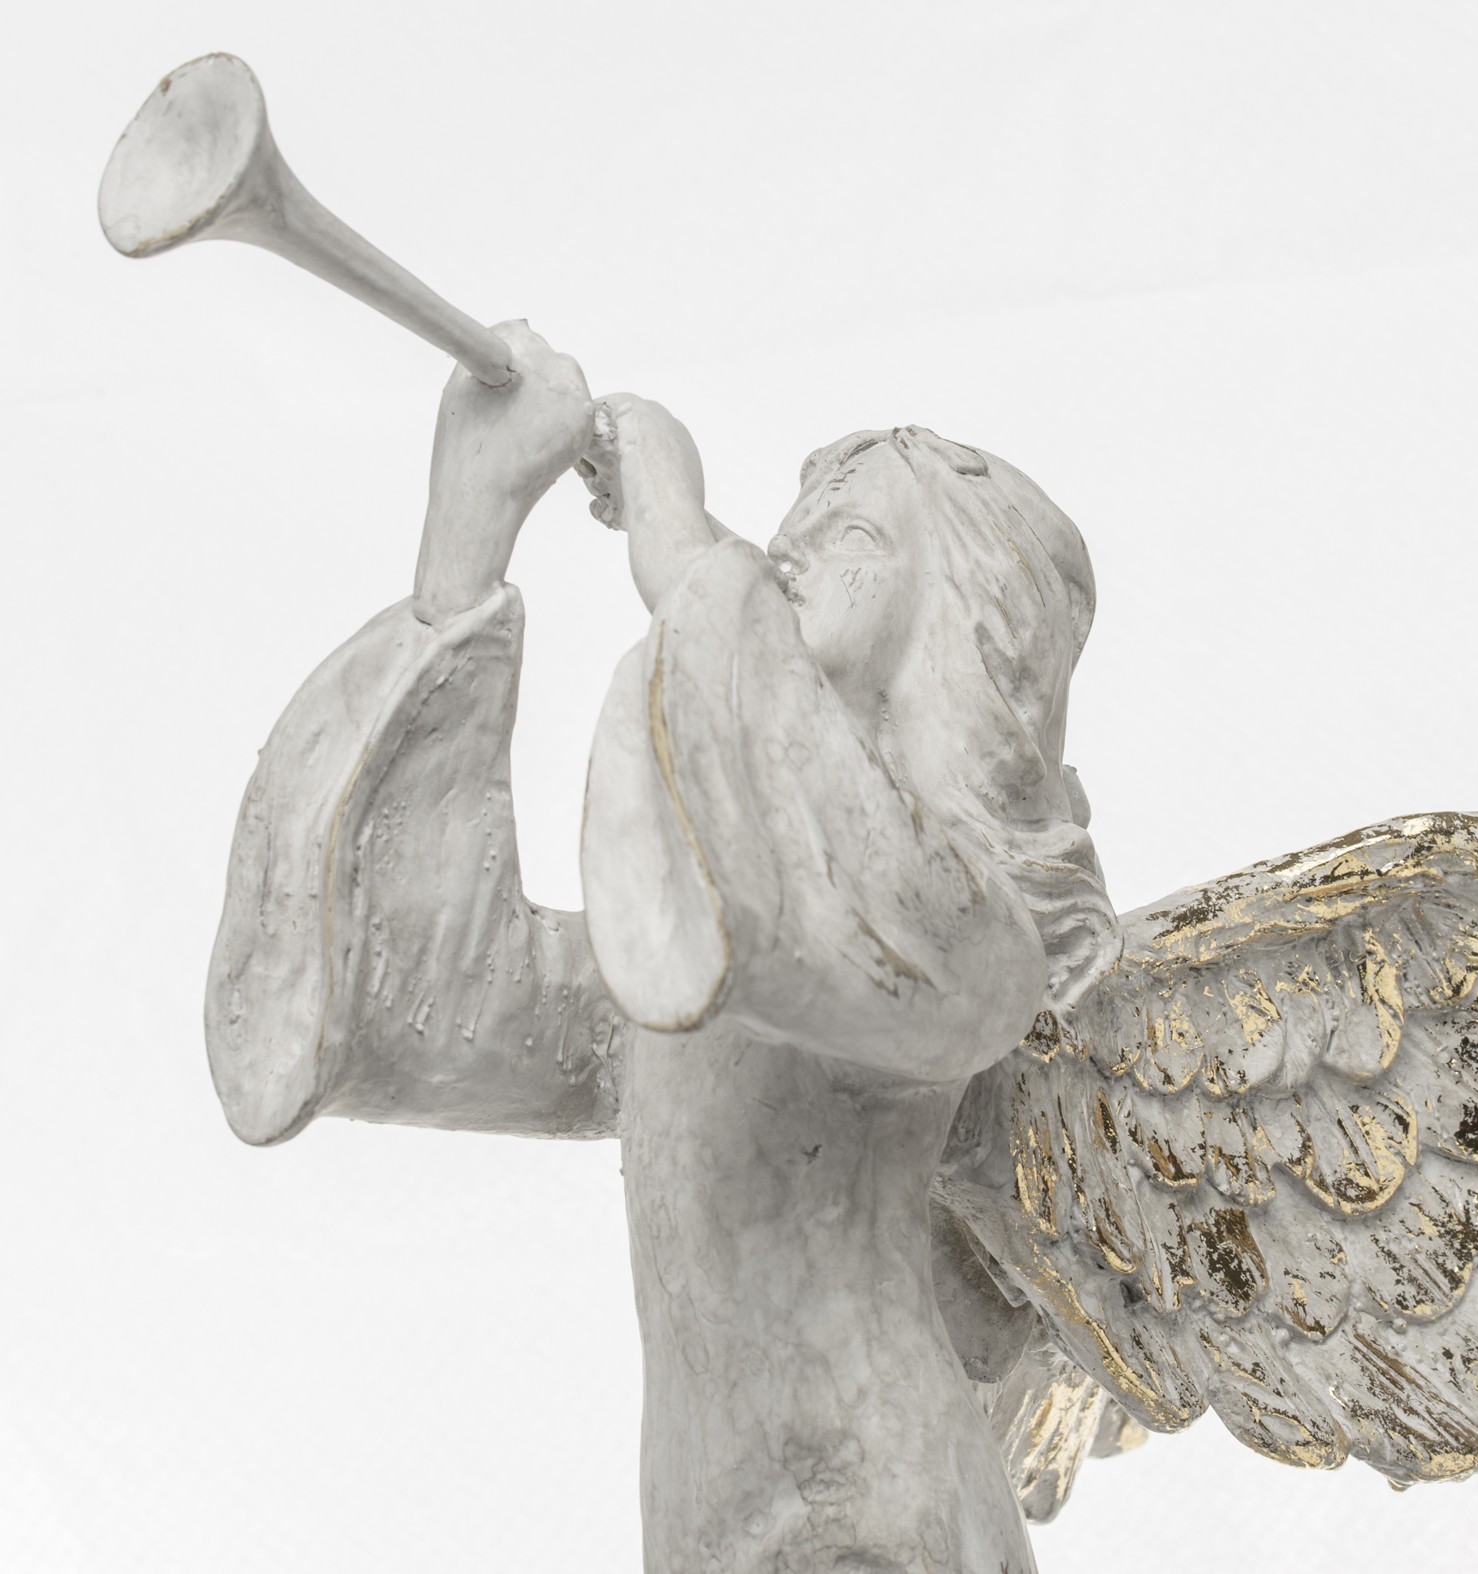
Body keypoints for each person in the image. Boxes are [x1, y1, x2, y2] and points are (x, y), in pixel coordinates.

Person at [209, 320, 1118, 1571]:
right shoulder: (706, 946)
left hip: (868, 1513)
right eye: (792, 519)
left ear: (960, 624)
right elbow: (444, 1004)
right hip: (713, 1519)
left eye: (852, 531)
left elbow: (825, 890)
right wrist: (467, 541)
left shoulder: (969, 939)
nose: (789, 546)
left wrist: (686, 551)